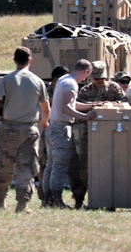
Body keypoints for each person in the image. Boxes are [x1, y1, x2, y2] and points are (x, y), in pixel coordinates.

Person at [0, 47, 50, 213]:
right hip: (29, 130)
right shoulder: (38, 81)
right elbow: (46, 109)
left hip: (8, 128)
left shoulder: (7, 80)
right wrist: (44, 122)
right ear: (30, 61)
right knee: (26, 167)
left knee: (3, 165)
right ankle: (22, 204)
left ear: (14, 60)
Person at [71, 61, 126, 209]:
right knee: (84, 166)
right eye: (96, 78)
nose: (99, 81)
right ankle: (79, 199)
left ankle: (111, 200)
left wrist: (108, 106)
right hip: (87, 134)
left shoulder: (115, 89)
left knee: (110, 165)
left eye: (101, 78)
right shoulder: (85, 91)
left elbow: (125, 104)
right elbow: (78, 109)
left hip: (110, 134)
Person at [44, 59, 97, 209]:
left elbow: (69, 104)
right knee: (59, 166)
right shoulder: (71, 83)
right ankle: (56, 200)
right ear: (86, 71)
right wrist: (86, 116)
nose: (85, 79)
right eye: (87, 75)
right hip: (61, 128)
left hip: (53, 126)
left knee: (51, 165)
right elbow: (66, 108)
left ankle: (48, 199)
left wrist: (91, 106)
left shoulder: (63, 80)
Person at [38, 65, 69, 206]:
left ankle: (49, 198)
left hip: (52, 131)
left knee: (52, 164)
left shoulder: (62, 91)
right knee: (45, 165)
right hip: (46, 131)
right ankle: (45, 198)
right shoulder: (45, 91)